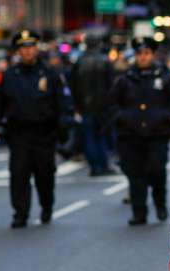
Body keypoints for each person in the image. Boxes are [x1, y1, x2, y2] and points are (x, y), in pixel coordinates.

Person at [0, 30, 68, 228]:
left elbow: (61, 102)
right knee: (19, 174)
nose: (27, 52)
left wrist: (63, 128)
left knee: (45, 174)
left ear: (36, 49)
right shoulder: (10, 75)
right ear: (18, 51)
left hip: (44, 133)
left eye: (31, 47)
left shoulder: (49, 74)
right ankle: (20, 213)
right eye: (23, 48)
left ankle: (46, 206)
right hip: (19, 133)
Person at [109, 37, 170, 226]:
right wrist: (121, 117)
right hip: (130, 135)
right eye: (139, 54)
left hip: (156, 134)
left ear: (152, 55)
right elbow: (112, 104)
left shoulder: (163, 78)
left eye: (146, 53)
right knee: (135, 174)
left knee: (156, 170)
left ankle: (160, 203)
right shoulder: (125, 79)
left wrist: (166, 117)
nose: (142, 57)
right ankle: (138, 212)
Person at [70, 34, 116, 176]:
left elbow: (74, 86)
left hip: (85, 105)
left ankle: (95, 166)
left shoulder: (80, 61)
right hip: (103, 106)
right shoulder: (104, 61)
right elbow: (111, 85)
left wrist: (77, 105)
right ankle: (103, 164)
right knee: (102, 135)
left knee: (89, 136)